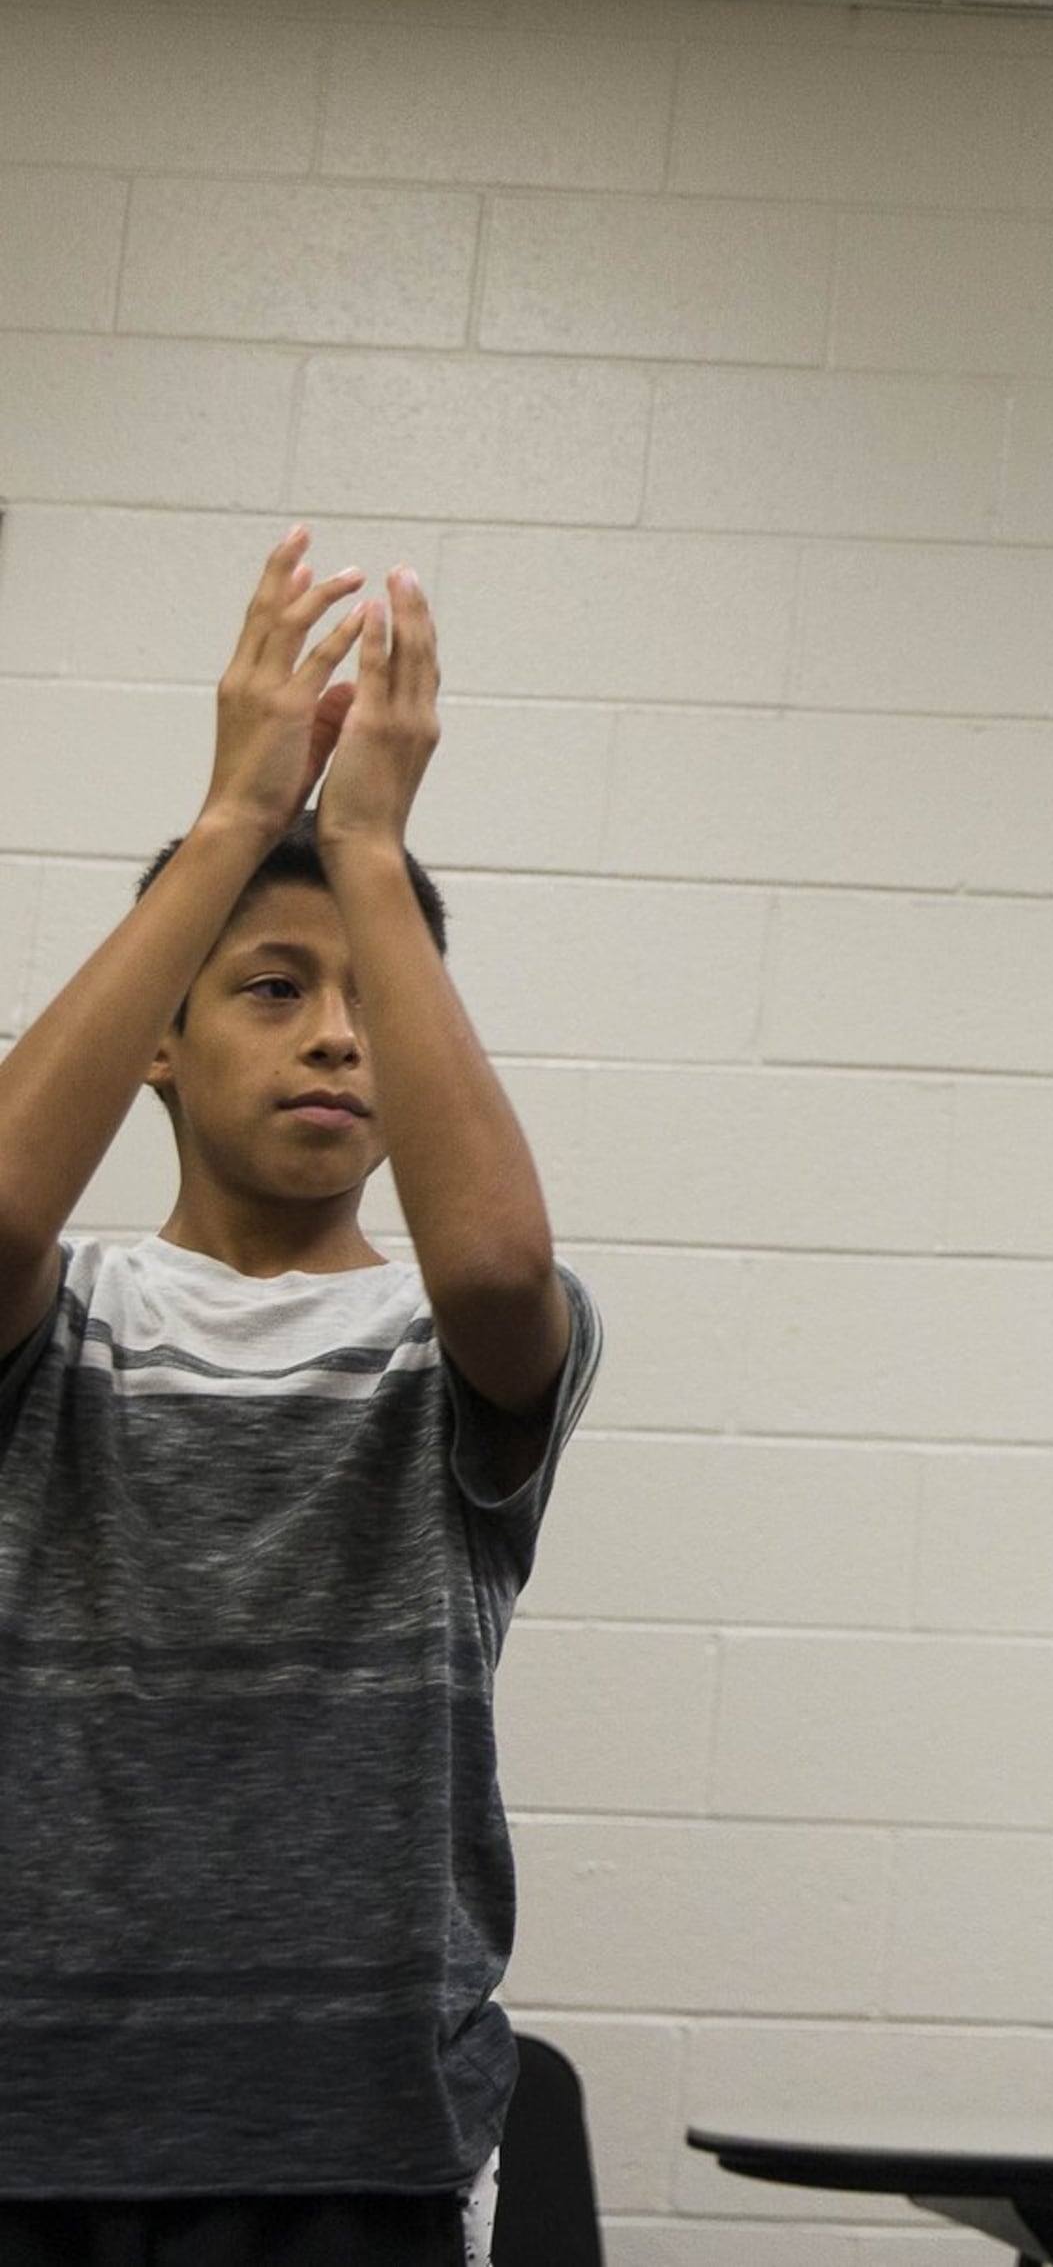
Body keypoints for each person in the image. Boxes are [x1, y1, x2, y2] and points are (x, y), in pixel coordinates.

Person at [0, 541, 601, 2264]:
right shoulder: (67, 1320)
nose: (336, 1037)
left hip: (361, 2154)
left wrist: (367, 850)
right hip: (36, 2141)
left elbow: (496, 1273)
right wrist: (227, 825)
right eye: (275, 988)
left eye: (367, 1001)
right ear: (162, 1044)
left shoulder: (444, 1342)